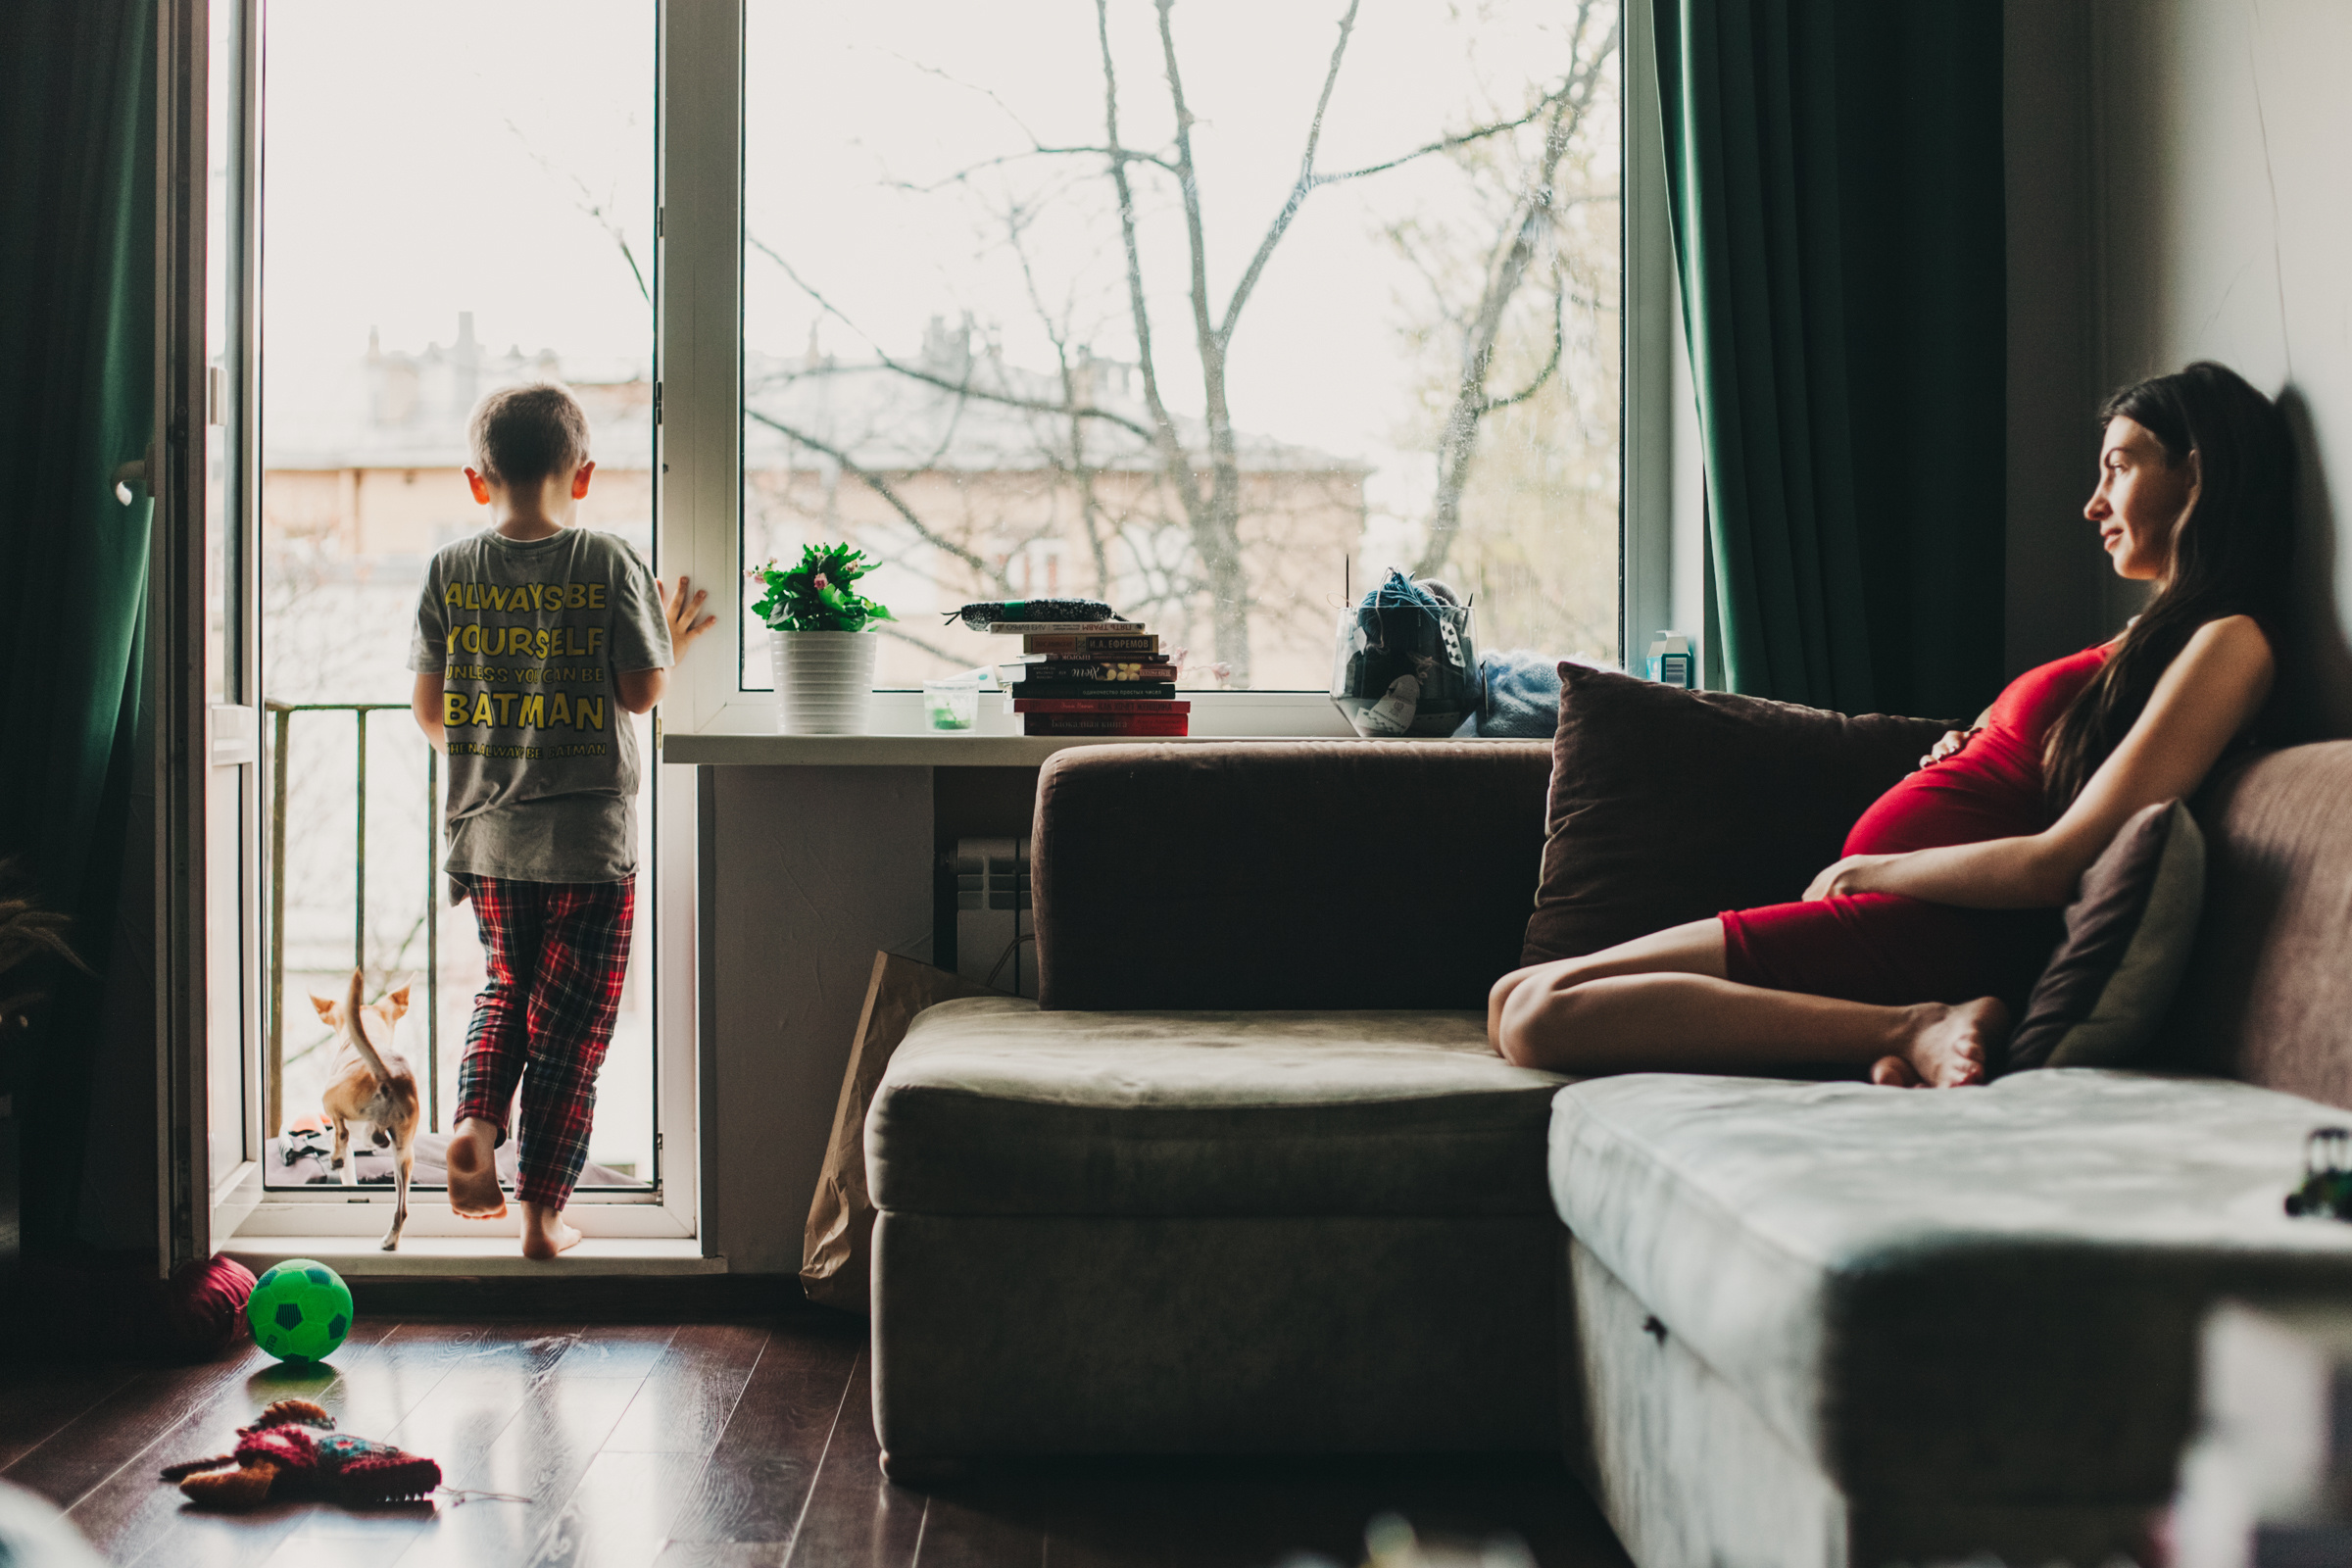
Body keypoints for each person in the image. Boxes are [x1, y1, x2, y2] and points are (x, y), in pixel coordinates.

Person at [1490, 362, 2296, 1089]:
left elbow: (2063, 863)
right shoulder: (2138, 642)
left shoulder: (2231, 641)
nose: (2092, 505)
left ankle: (1913, 1024)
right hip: (1904, 922)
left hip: (1940, 932)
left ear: (2198, 470)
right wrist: (1970, 744)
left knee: (1539, 1015)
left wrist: (1873, 872)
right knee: (1509, 998)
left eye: (2118, 467)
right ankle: (1866, 1043)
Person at [409, 382, 715, 1258]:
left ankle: (474, 1124)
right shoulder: (609, 559)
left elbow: (431, 714)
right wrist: (671, 640)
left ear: (478, 481)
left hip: (490, 837)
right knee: (572, 1030)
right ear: (582, 475)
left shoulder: (449, 569)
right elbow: (639, 692)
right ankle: (543, 1215)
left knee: (506, 987)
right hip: (589, 846)